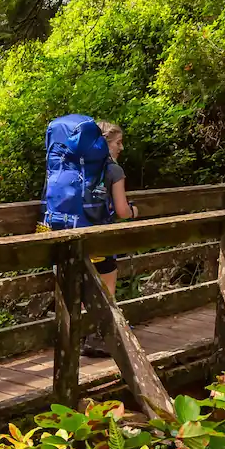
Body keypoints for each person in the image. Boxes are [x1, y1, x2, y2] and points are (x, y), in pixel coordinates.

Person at [81, 120, 135, 357]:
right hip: (100, 238)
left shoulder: (75, 166)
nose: (121, 148)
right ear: (106, 144)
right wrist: (135, 211)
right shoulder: (113, 170)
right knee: (107, 287)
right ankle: (98, 337)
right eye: (118, 143)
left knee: (82, 288)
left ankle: (82, 335)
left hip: (75, 236)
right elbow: (122, 211)